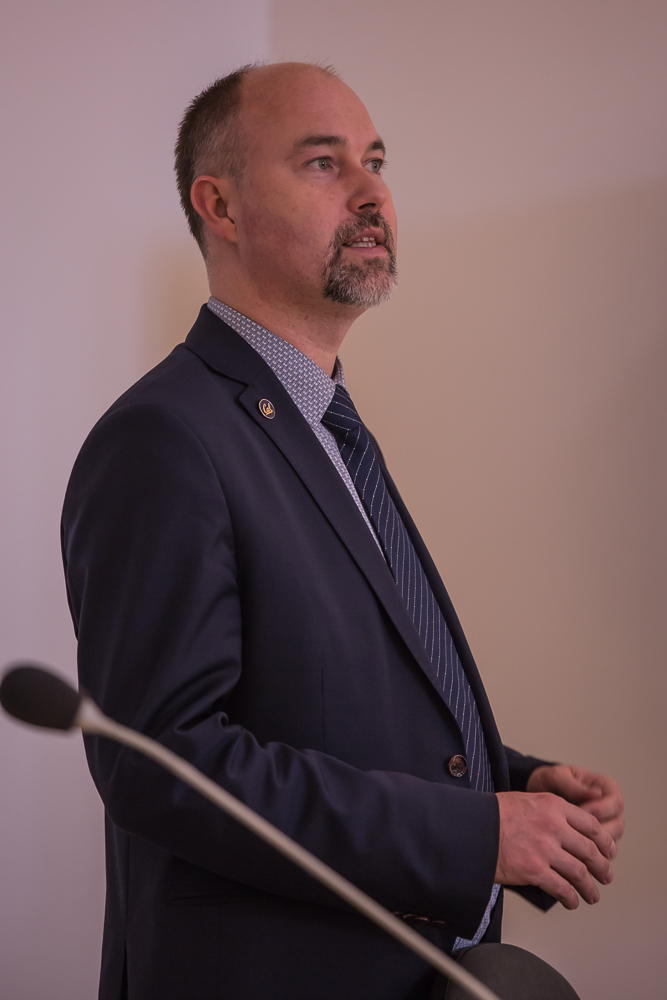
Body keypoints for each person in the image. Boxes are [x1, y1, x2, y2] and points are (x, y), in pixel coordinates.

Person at [61, 62, 624, 1000]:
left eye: (376, 161)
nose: (371, 194)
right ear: (220, 205)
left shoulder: (324, 425)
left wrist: (508, 787)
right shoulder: (164, 437)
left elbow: (324, 705)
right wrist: (474, 836)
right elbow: (164, 763)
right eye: (323, 163)